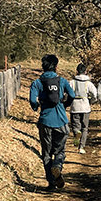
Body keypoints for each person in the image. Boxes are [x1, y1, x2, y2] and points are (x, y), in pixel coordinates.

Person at [29, 54, 75, 190]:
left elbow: (32, 100)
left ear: (42, 67)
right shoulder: (62, 81)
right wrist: (65, 104)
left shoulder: (37, 83)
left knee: (46, 153)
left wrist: (36, 107)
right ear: (56, 66)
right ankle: (58, 166)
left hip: (45, 121)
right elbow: (72, 95)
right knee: (60, 151)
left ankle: (51, 182)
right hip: (61, 120)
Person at [68, 62, 97, 154]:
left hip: (75, 107)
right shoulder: (88, 83)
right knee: (85, 127)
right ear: (85, 72)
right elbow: (95, 95)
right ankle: (81, 146)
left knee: (75, 125)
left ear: (77, 71)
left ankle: (76, 133)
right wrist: (91, 101)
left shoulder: (72, 82)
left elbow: (67, 93)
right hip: (85, 107)